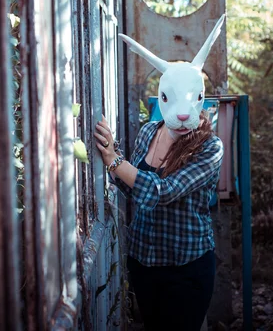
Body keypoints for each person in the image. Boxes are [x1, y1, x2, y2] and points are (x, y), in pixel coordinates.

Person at [94, 112, 223, 330]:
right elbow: (133, 189)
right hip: (143, 263)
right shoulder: (149, 131)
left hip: (185, 268)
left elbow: (164, 192)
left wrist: (115, 161)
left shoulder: (210, 146)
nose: (182, 115)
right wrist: (111, 151)